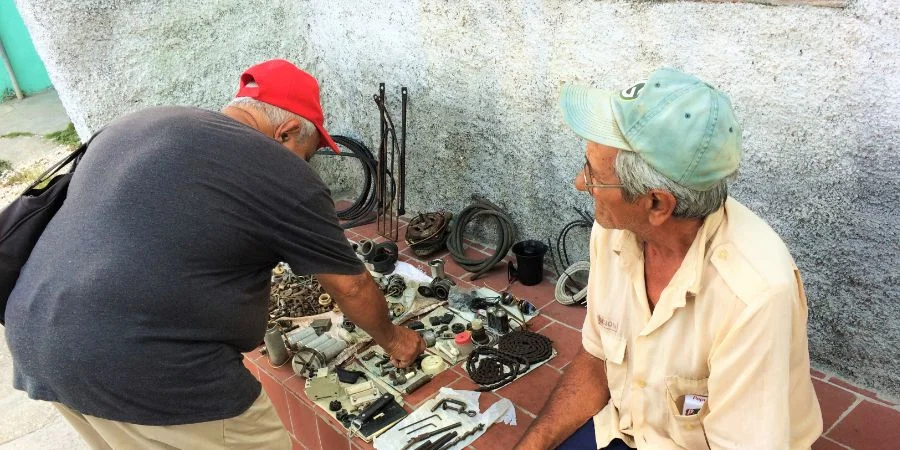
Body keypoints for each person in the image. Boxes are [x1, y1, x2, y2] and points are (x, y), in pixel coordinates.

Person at [4, 59, 425, 449]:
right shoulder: (277, 170)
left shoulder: (140, 123)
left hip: (37, 342)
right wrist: (396, 340)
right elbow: (350, 285)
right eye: (309, 154)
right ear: (287, 132)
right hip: (151, 371)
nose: (308, 167)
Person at [517, 68, 822, 449]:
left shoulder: (755, 295)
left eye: (594, 176)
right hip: (625, 430)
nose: (581, 184)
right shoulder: (613, 231)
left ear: (657, 204)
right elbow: (596, 359)